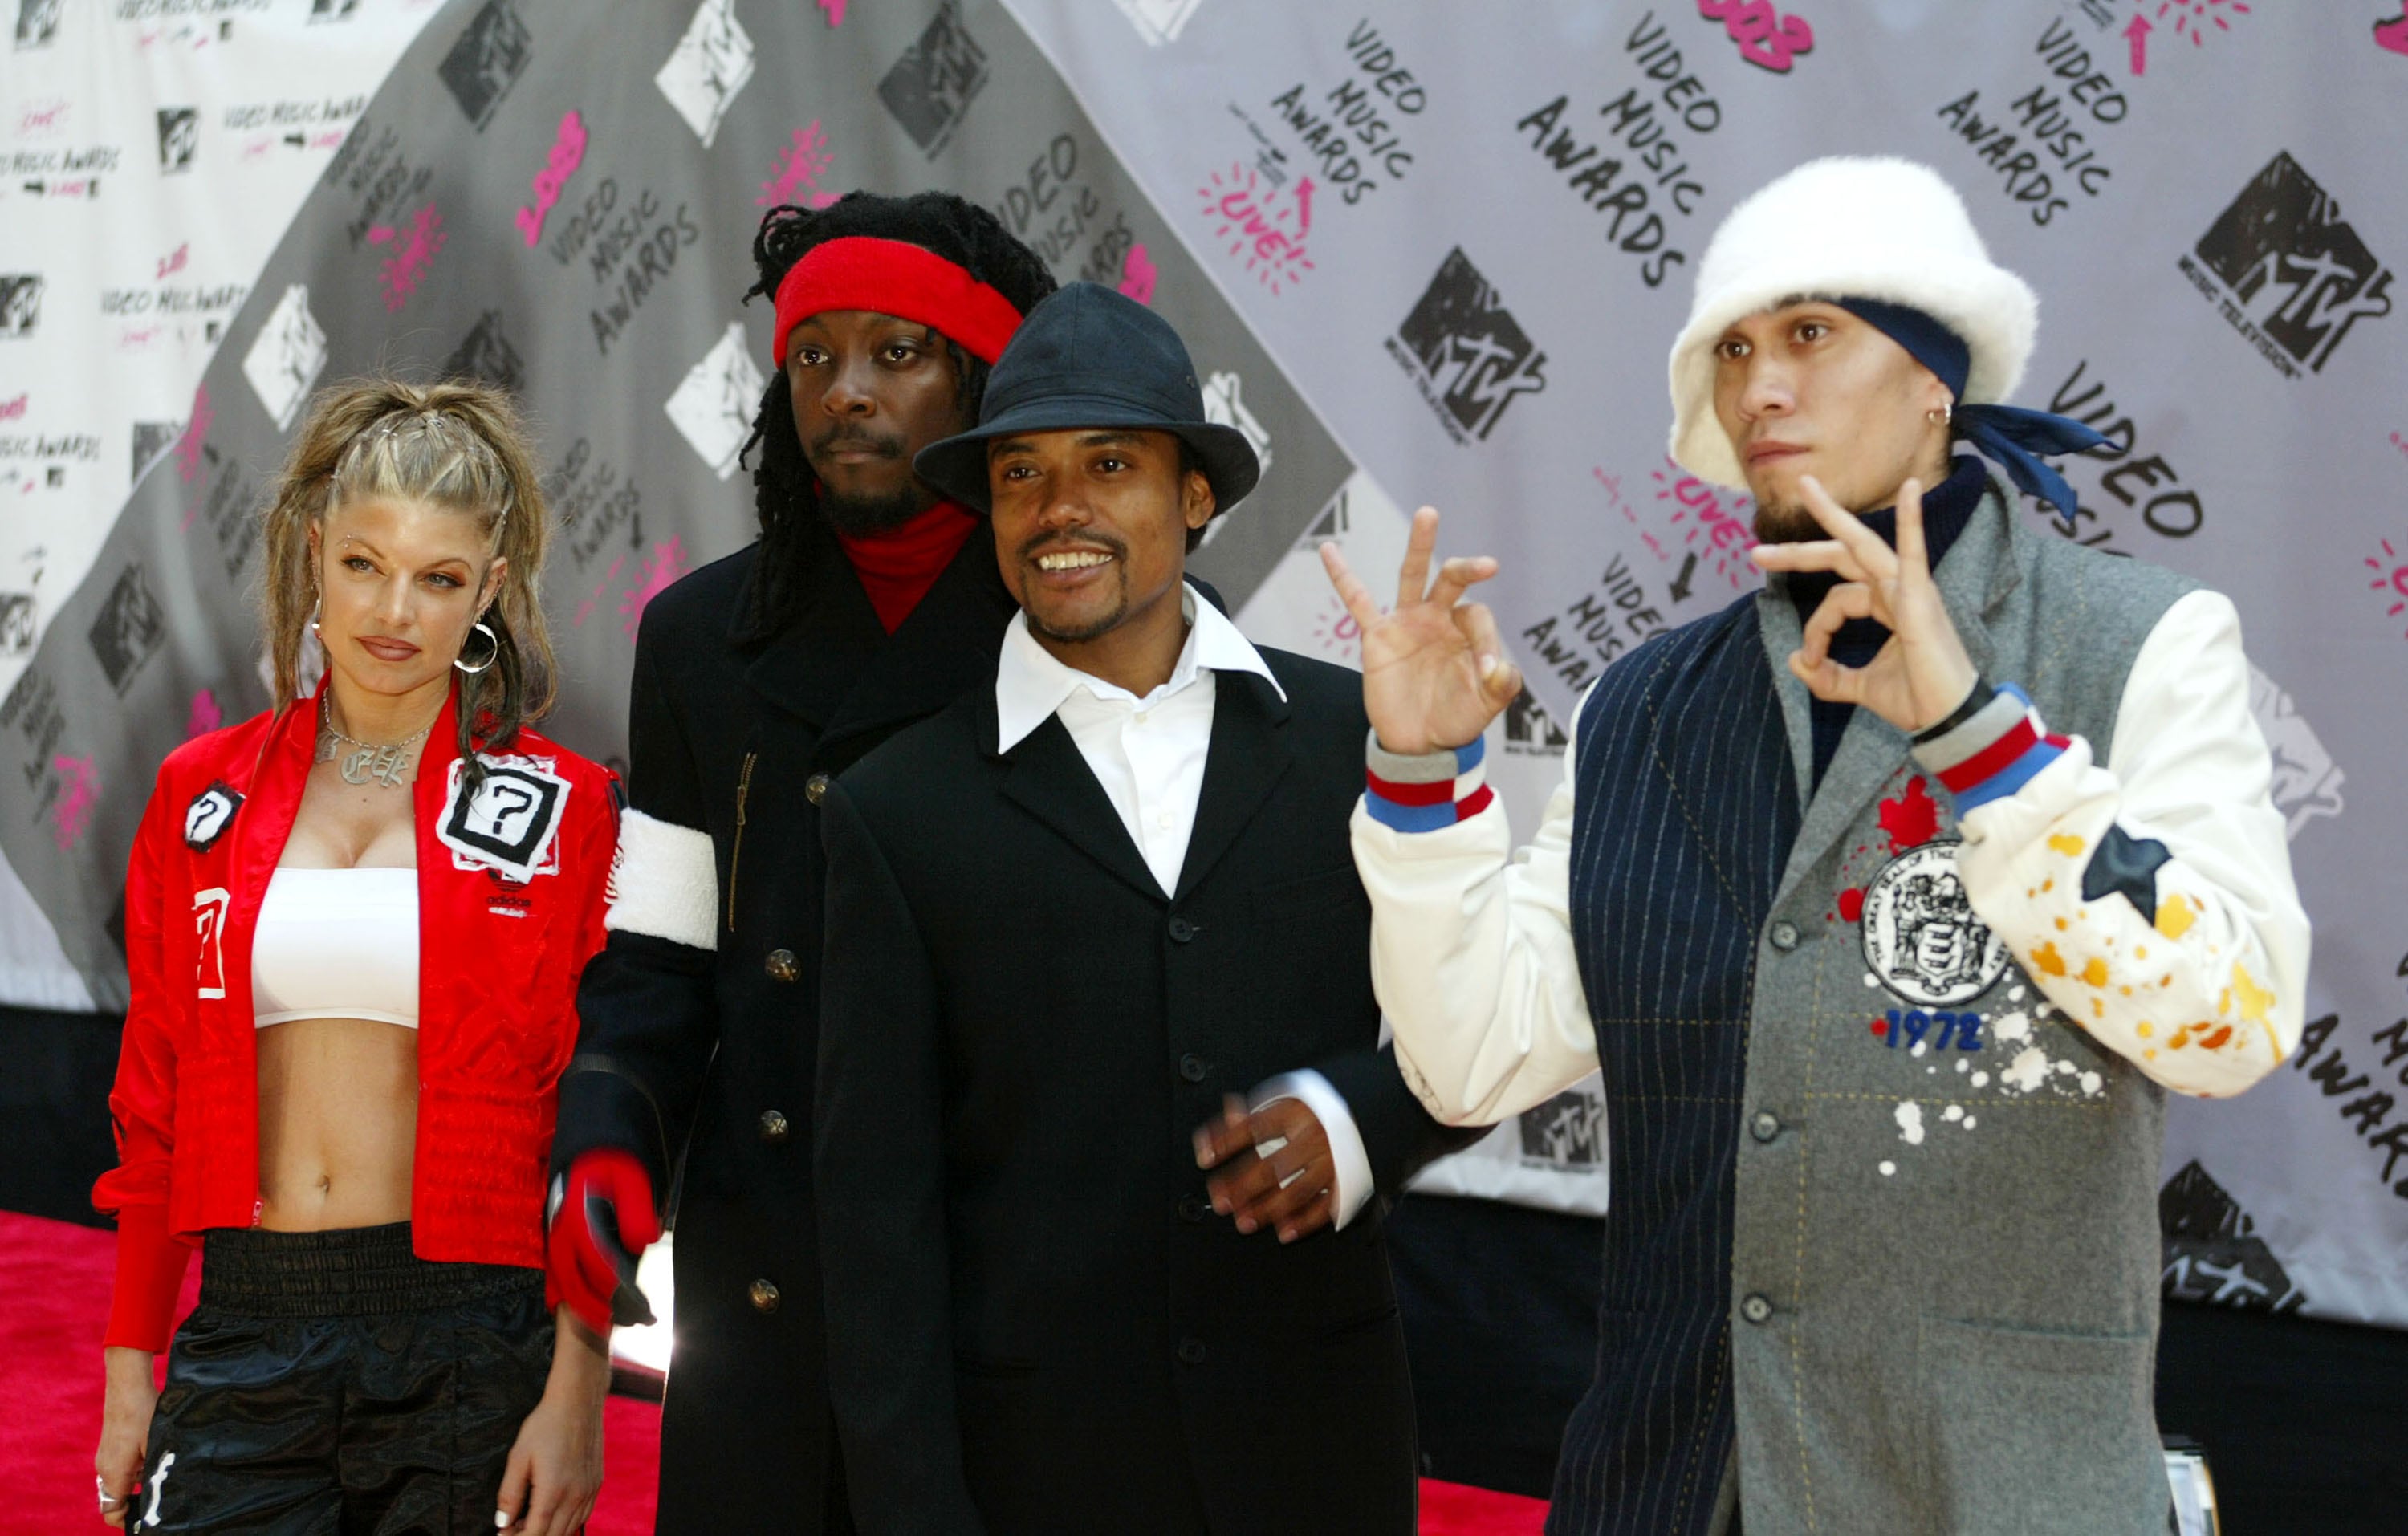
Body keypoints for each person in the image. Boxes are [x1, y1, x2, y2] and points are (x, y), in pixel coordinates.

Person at [1323, 156, 2309, 1535]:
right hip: (1667, 1485)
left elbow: (2236, 1022)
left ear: (1936, 380)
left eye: (1810, 334)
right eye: (1732, 347)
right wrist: (1424, 781)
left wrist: (1980, 741)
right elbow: (1476, 1056)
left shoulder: (2138, 640)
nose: (1759, 385)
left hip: (1995, 1493)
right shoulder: (1645, 703)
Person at [813, 282, 1476, 1535]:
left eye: (1108, 463)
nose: (1059, 509)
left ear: (1193, 495)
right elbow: (874, 1229)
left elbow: (1491, 1025)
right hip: (1038, 1481)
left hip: (1317, 1458)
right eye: (1021, 473)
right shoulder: (893, 810)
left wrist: (1360, 1122)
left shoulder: (1356, 739)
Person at [544, 191, 1056, 1533]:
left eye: (900, 354)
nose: (848, 392)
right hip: (764, 1294)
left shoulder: (1087, 625)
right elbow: (656, 948)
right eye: (816, 356)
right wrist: (608, 1140)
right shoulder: (700, 639)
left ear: (983, 383)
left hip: (1003, 1299)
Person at [90, 380, 620, 1535]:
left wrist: (578, 1394)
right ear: (313, 553)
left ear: (489, 588)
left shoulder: (566, 806)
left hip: (472, 1335)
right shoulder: (202, 794)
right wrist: (132, 1364)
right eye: (365, 564)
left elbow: (601, 1124)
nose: (394, 610)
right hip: (246, 1319)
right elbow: (156, 1100)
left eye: (438, 578)